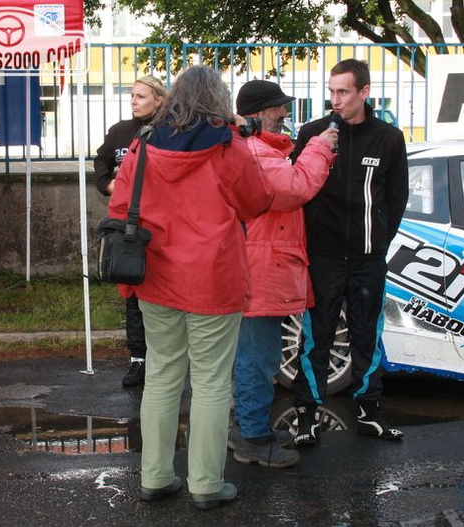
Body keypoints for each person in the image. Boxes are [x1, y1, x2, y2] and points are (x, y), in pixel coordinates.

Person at [108, 65, 273, 508]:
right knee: (212, 382)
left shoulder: (142, 145)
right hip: (213, 279)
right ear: (218, 101)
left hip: (156, 277)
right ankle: (205, 483)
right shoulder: (228, 147)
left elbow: (121, 206)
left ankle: (155, 476)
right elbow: (257, 201)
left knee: (161, 376)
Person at [289, 58, 409, 445]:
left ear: (364, 92)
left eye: (343, 92)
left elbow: (396, 198)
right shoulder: (313, 132)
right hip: (322, 258)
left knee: (366, 337)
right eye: (331, 91)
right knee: (315, 337)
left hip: (367, 261)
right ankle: (306, 415)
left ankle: (368, 411)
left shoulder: (388, 138)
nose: (335, 99)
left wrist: (376, 243)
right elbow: (297, 187)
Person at [229, 80, 338, 468]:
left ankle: (245, 426)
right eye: (279, 108)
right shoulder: (257, 150)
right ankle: (253, 438)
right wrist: (321, 148)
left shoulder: (256, 147)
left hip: (261, 265)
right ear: (258, 113)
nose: (285, 115)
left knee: (253, 355)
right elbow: (295, 188)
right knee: (258, 358)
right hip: (261, 268)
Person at [94, 75, 166, 386]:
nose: (133, 101)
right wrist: (107, 184)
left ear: (158, 100)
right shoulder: (120, 131)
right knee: (132, 291)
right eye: (132, 95)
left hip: (162, 225)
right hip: (127, 226)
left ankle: (165, 357)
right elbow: (101, 159)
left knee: (162, 294)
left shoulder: (170, 132)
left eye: (140, 96)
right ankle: (138, 359)